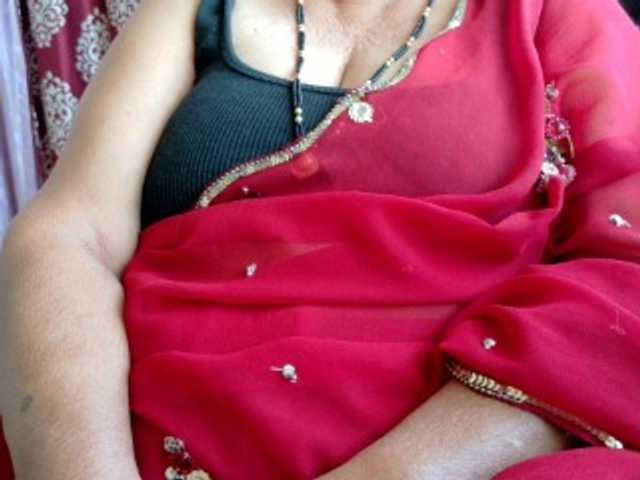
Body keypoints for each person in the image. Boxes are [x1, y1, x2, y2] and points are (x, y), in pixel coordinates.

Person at [1, 0, 639, 478]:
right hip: (145, 438)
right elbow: (70, 234)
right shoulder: (192, 8)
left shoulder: (557, 11)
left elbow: (624, 270)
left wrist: (392, 473)